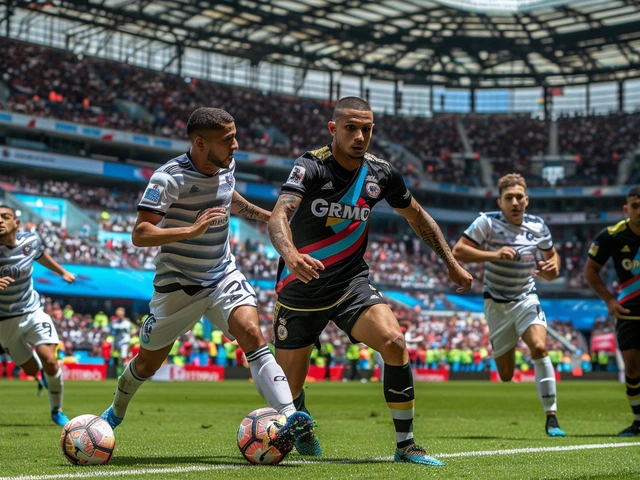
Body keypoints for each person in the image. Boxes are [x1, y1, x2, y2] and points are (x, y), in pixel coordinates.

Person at [268, 96, 473, 466]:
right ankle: (303, 424)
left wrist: (450, 262)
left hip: (350, 285)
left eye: (367, 129)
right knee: (288, 391)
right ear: (333, 129)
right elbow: (279, 214)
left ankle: (406, 445)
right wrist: (290, 255)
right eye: (351, 128)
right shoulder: (310, 167)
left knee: (394, 341)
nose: (360, 136)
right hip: (299, 288)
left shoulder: (382, 174)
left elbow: (418, 216)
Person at [100, 107, 312, 456]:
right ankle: (115, 412)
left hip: (222, 275)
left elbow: (229, 198)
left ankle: (292, 418)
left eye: (234, 135)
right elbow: (140, 233)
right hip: (178, 286)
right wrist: (192, 230)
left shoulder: (227, 165)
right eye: (228, 139)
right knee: (146, 363)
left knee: (252, 334)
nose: (236, 144)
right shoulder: (168, 178)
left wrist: (269, 217)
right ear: (200, 142)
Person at [451, 173, 565, 437]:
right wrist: (494, 253)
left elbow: (553, 260)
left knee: (539, 347)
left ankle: (552, 418)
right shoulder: (486, 222)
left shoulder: (538, 226)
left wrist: (552, 270)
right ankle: (508, 347)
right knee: (505, 374)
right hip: (497, 305)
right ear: (500, 202)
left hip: (526, 298)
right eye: (509, 198)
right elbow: (458, 251)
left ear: (527, 200)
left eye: (519, 197)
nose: (514, 202)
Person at [0, 205, 75, 425]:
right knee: (32, 370)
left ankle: (57, 411)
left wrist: (62, 272)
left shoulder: (29, 241)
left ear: (17, 223)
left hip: (32, 311)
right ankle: (40, 376)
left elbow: (41, 256)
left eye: (5, 217)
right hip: (5, 322)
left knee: (51, 362)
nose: (0, 221)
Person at [584, 186, 640, 436]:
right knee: (632, 369)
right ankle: (638, 421)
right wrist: (608, 300)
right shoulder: (612, 236)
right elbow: (590, 271)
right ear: (626, 209)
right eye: (635, 206)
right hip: (629, 312)